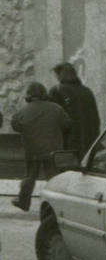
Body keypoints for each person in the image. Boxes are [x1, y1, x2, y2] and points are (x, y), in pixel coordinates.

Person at [10, 82, 71, 212]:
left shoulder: (23, 111)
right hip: (52, 149)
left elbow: (15, 125)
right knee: (52, 175)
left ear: (29, 95)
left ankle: (24, 201)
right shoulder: (56, 108)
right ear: (44, 93)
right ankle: (56, 203)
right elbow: (67, 124)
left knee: (31, 175)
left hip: (32, 149)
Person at [50, 60, 101, 156]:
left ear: (59, 75)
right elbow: (95, 119)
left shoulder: (56, 91)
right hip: (88, 142)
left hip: (67, 143)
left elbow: (54, 119)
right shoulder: (87, 92)